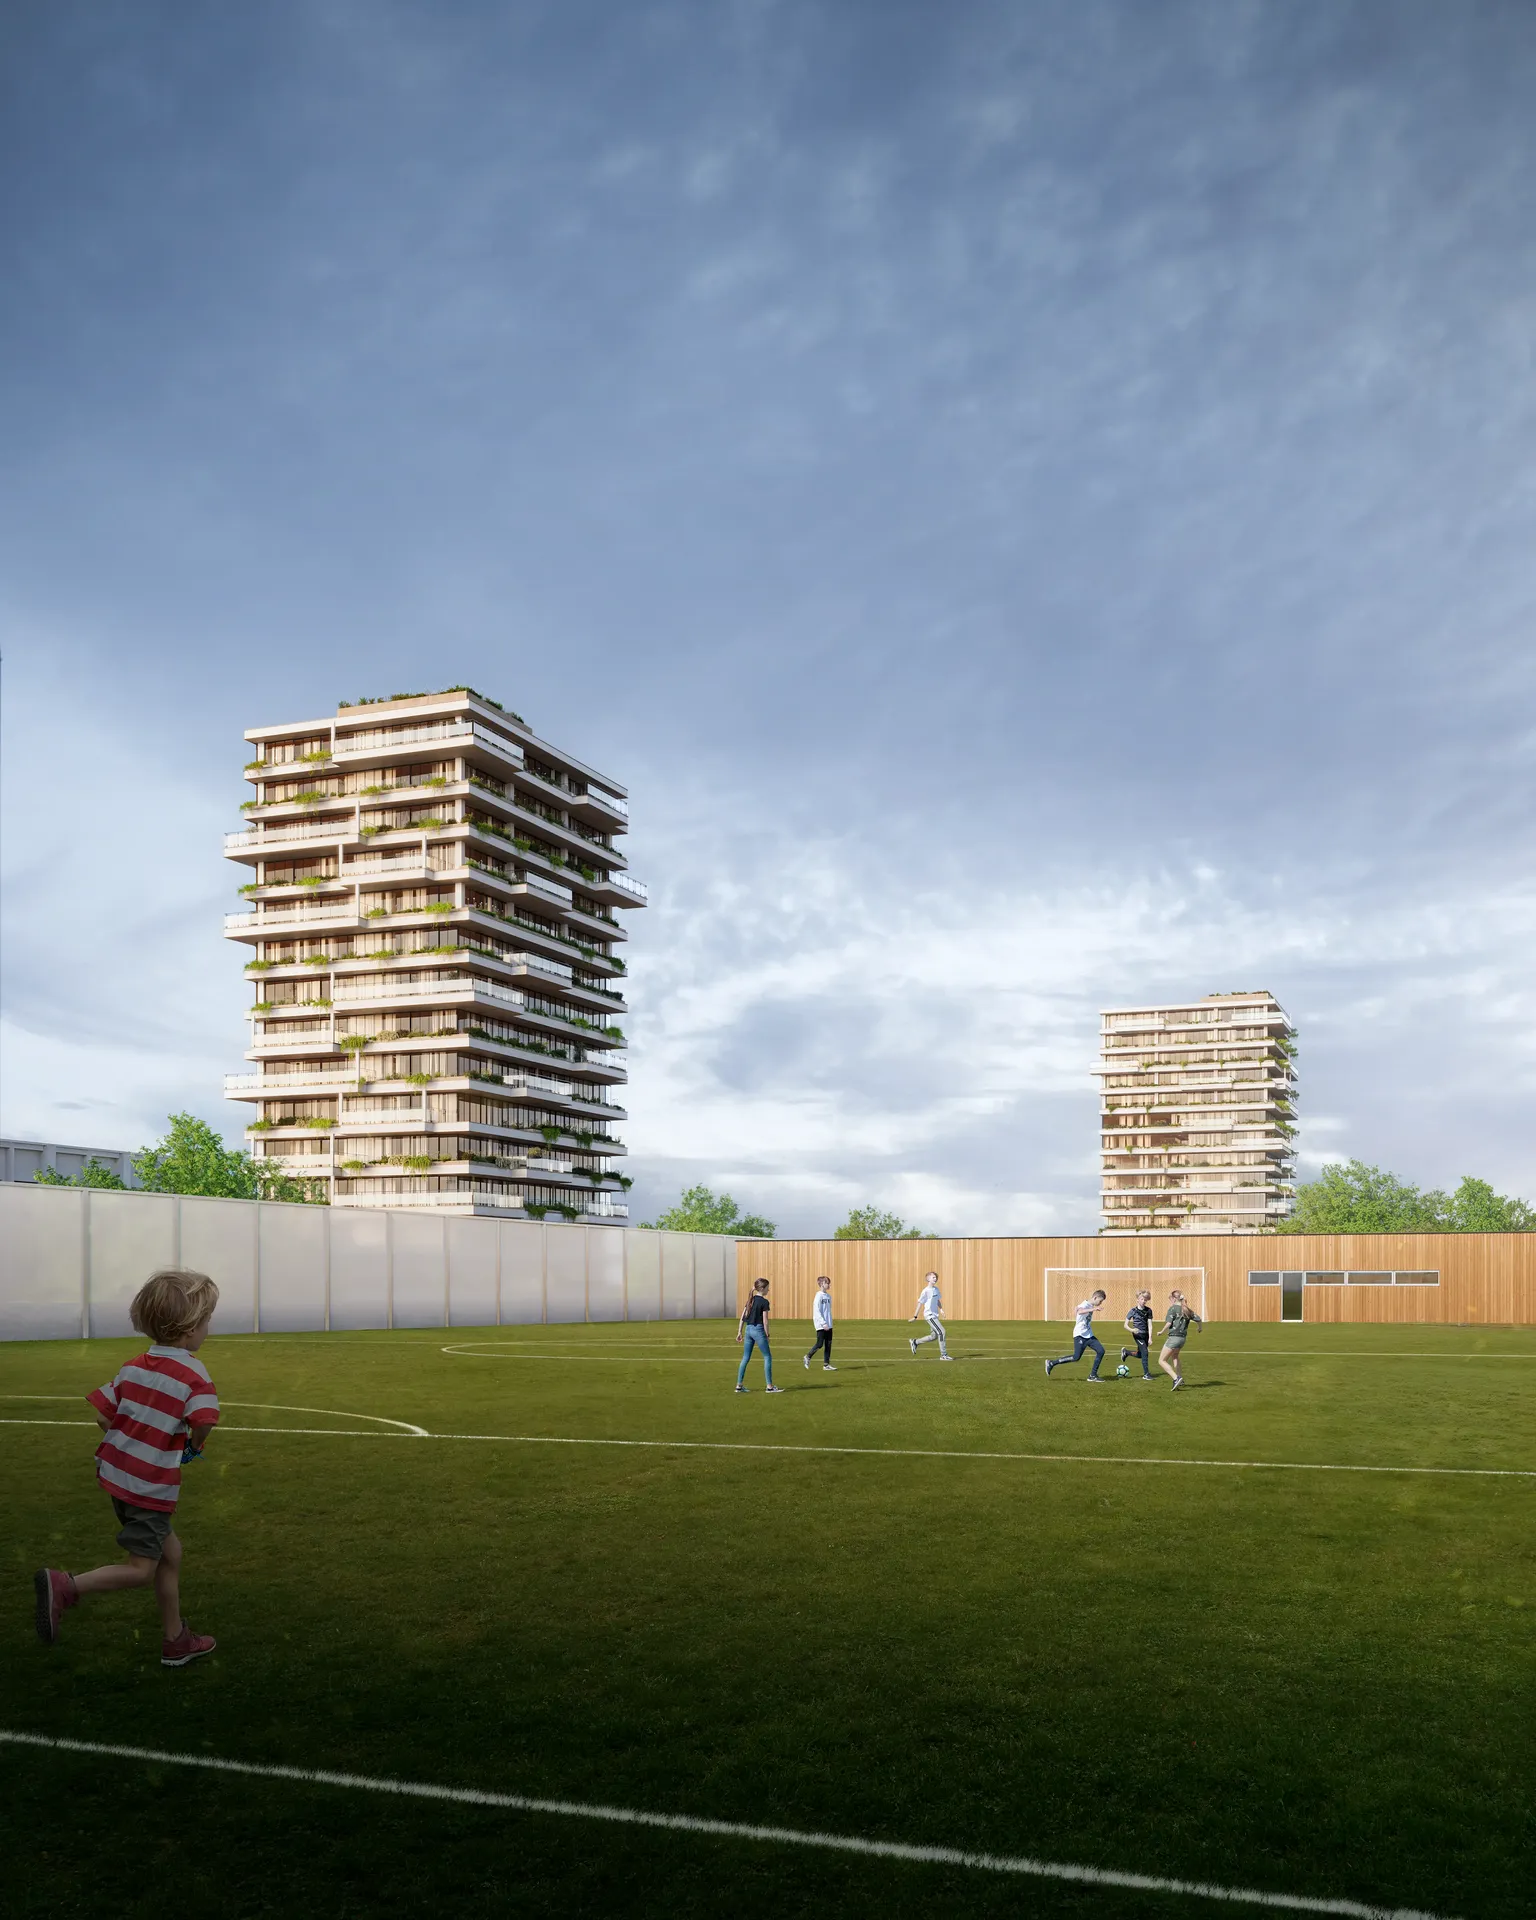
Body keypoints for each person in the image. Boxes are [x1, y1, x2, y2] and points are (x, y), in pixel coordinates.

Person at [34, 1268, 222, 1667]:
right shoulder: (194, 1375)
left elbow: (103, 1414)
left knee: (172, 1555)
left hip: (117, 1477)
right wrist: (193, 1445)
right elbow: (204, 1420)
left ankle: (175, 1640)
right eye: (206, 1321)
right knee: (141, 1569)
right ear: (189, 1329)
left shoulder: (134, 1365)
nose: (208, 1329)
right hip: (149, 1488)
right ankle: (66, 1586)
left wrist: (132, 1434)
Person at [1045, 1289, 1108, 1382]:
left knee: (1101, 1351)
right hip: (1080, 1335)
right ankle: (1051, 1363)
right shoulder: (1086, 1305)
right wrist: (1093, 1309)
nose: (1100, 1303)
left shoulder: (1088, 1304)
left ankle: (1092, 1375)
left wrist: (1078, 1309)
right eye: (1100, 1301)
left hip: (1088, 1334)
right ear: (1095, 1297)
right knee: (1076, 1357)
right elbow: (1080, 1311)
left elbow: (1077, 1309)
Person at [736, 1278, 783, 1392]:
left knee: (745, 1358)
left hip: (748, 1330)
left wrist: (739, 1332)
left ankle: (739, 1386)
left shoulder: (750, 1300)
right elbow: (765, 1321)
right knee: (767, 1357)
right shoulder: (764, 1302)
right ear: (762, 1289)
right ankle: (770, 1387)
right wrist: (767, 1334)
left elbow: (743, 1317)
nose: (769, 1289)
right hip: (758, 1330)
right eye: (767, 1288)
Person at [1159, 1289, 1203, 1389]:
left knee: (1161, 1360)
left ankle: (1176, 1378)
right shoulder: (1186, 1309)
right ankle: (1180, 1378)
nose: (1170, 1301)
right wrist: (1199, 1328)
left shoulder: (1173, 1309)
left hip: (1174, 1338)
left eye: (1171, 1298)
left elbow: (1169, 1323)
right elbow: (1198, 1319)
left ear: (1174, 1298)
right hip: (1182, 1339)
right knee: (1175, 1356)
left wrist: (1161, 1332)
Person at [908, 1271, 952, 1359]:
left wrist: (941, 1309)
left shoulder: (936, 1289)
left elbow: (937, 1300)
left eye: (936, 1277)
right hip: (930, 1315)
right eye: (933, 1277)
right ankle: (944, 1355)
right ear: (928, 1279)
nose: (935, 1279)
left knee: (934, 1336)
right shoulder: (925, 1291)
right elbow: (920, 1303)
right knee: (942, 1332)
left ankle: (915, 1342)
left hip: (935, 1315)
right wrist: (915, 1317)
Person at [1120, 1289, 1155, 1380]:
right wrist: (1132, 1330)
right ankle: (1146, 1374)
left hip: (1145, 1335)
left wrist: (1150, 1337)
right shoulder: (1133, 1311)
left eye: (1145, 1300)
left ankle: (1126, 1352)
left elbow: (1150, 1325)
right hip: (1137, 1335)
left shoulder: (1149, 1311)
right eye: (1142, 1299)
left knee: (1140, 1355)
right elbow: (1125, 1325)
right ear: (1138, 1300)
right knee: (1145, 1353)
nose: (1144, 1301)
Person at [804, 1275, 837, 1371]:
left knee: (828, 1344)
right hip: (821, 1325)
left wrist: (829, 1323)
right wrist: (823, 1323)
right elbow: (817, 1311)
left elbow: (828, 1311)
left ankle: (826, 1364)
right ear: (822, 1284)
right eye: (827, 1283)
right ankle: (808, 1356)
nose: (829, 1285)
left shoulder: (828, 1296)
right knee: (819, 1344)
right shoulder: (818, 1296)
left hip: (829, 1324)